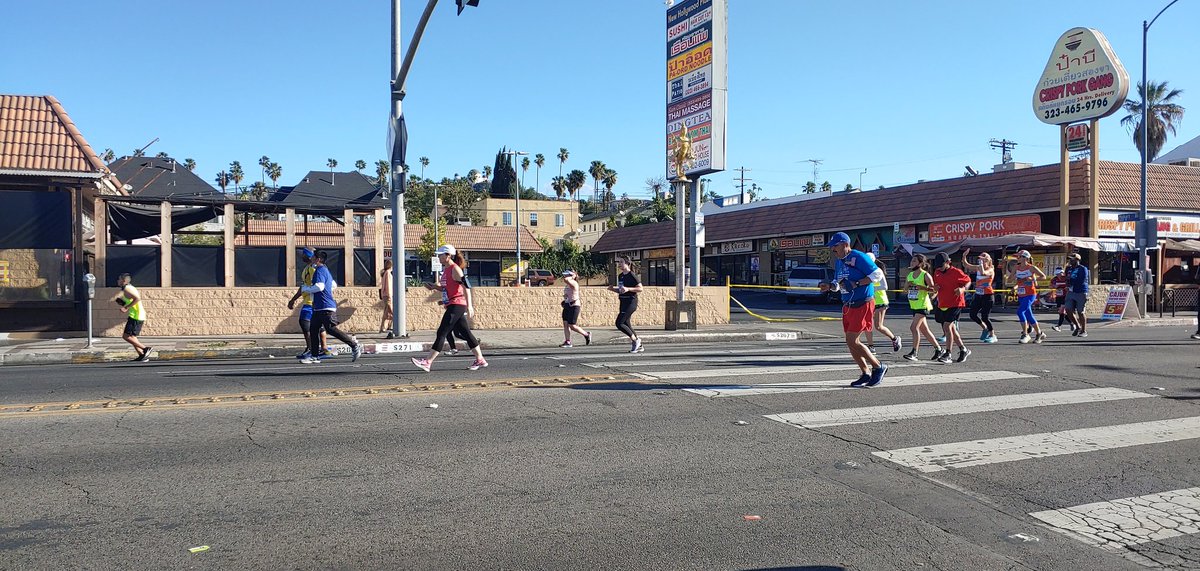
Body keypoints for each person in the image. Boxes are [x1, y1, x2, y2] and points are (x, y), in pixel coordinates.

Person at [819, 232, 887, 387]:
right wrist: (830, 286)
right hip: (848, 304)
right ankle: (865, 373)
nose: (833, 250)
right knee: (850, 342)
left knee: (852, 340)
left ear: (844, 244)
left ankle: (878, 366)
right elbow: (839, 283)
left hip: (862, 302)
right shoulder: (839, 262)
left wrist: (857, 283)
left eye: (835, 246)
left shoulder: (858, 257)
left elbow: (877, 274)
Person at [411, 245, 487, 372]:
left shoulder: (455, 269)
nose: (439, 257)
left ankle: (428, 362)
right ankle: (480, 359)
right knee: (466, 333)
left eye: (441, 255)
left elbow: (466, 287)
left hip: (457, 304)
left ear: (448, 256)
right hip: (452, 304)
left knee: (442, 332)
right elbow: (446, 288)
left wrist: (470, 306)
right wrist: (434, 287)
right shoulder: (446, 270)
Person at [299, 250, 363, 364]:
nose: (311, 258)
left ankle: (354, 345)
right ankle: (314, 356)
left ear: (318, 259)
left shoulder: (320, 270)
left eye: (313, 256)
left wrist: (306, 289)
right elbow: (333, 285)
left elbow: (320, 286)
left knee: (330, 329)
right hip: (318, 306)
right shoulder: (324, 270)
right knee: (313, 329)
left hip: (325, 306)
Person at [288, 248, 331, 360]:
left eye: (303, 254)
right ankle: (324, 349)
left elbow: (317, 285)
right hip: (311, 301)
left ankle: (311, 349)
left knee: (305, 324)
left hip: (311, 302)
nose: (301, 256)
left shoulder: (314, 269)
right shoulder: (307, 268)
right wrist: (293, 299)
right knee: (318, 326)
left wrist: (294, 300)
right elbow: (303, 287)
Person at [902, 254, 944, 362]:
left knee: (913, 327)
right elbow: (904, 290)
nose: (912, 263)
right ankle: (938, 349)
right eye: (911, 261)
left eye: (914, 261)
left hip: (923, 305)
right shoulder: (910, 275)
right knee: (924, 330)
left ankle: (914, 352)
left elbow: (934, 290)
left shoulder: (925, 275)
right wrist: (908, 286)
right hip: (914, 305)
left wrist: (922, 288)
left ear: (921, 263)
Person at [932, 252, 972, 363]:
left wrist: (963, 289)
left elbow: (968, 281)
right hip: (943, 303)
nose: (939, 268)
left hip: (956, 303)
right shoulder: (937, 272)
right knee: (952, 329)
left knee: (947, 327)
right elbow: (937, 286)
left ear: (948, 262)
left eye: (941, 265)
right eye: (938, 266)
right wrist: (935, 288)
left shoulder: (956, 272)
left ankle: (948, 353)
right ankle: (963, 349)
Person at [863, 252, 901, 354]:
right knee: (867, 324)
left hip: (880, 301)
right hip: (869, 300)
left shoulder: (878, 270)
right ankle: (871, 347)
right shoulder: (864, 271)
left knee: (878, 326)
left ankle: (894, 338)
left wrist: (871, 287)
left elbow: (885, 286)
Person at [112, 273, 152, 362]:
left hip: (136, 315)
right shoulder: (129, 288)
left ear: (124, 280)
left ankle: (145, 349)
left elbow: (137, 299)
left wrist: (126, 307)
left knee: (126, 336)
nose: (117, 281)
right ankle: (142, 355)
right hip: (136, 315)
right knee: (132, 337)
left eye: (119, 279)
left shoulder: (127, 288)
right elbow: (131, 300)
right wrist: (122, 303)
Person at [961, 248, 997, 343]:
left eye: (983, 259)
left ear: (988, 260)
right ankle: (984, 328)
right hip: (978, 295)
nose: (981, 261)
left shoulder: (991, 270)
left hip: (987, 295)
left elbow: (983, 273)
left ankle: (992, 334)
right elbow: (966, 265)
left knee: (985, 317)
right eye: (980, 259)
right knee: (972, 314)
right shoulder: (978, 267)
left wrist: (981, 264)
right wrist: (964, 256)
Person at [1011, 250, 1047, 344]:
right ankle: (1039, 333)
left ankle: (1025, 334)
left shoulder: (1031, 268)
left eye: (1020, 256)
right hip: (1021, 293)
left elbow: (1043, 276)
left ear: (1025, 258)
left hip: (1030, 293)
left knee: (1020, 311)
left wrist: (1033, 279)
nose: (1018, 258)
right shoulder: (1016, 267)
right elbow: (1012, 279)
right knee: (1028, 315)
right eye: (1018, 257)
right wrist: (1014, 285)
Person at [610, 256, 643, 353]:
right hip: (623, 301)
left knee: (619, 323)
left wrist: (629, 289)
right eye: (618, 262)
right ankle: (639, 345)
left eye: (621, 262)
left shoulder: (632, 275)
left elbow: (640, 288)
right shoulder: (620, 276)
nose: (619, 264)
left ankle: (635, 340)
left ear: (627, 263)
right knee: (627, 323)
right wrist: (613, 289)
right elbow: (621, 290)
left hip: (630, 302)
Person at [559, 269, 592, 348]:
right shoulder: (567, 284)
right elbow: (567, 294)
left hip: (574, 305)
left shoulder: (574, 283)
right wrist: (565, 298)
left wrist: (573, 276)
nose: (565, 276)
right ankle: (568, 341)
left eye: (567, 275)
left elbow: (566, 279)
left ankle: (586, 334)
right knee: (565, 323)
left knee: (572, 325)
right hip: (567, 304)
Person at [1064, 252, 1090, 338]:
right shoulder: (1068, 269)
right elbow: (1066, 278)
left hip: (1080, 291)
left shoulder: (1083, 269)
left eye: (1072, 259)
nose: (1070, 261)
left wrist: (1070, 281)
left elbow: (1081, 280)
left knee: (1080, 311)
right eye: (1070, 259)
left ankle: (1083, 330)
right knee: (1068, 309)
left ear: (1077, 260)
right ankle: (1077, 326)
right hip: (1071, 292)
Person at [1048, 267, 1072, 333]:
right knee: (1062, 312)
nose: (1060, 275)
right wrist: (1053, 287)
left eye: (1061, 273)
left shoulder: (1066, 279)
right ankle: (1072, 323)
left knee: (1061, 310)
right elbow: (1050, 286)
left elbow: (1070, 285)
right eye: (1058, 274)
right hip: (1059, 296)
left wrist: (1066, 288)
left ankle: (1058, 326)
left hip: (1066, 296)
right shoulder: (1054, 279)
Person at [379, 258, 394, 338]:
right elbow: (388, 285)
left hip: (386, 295)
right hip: (388, 295)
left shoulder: (386, 273)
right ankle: (387, 327)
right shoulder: (388, 273)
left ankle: (384, 327)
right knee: (392, 312)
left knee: (387, 312)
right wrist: (389, 295)